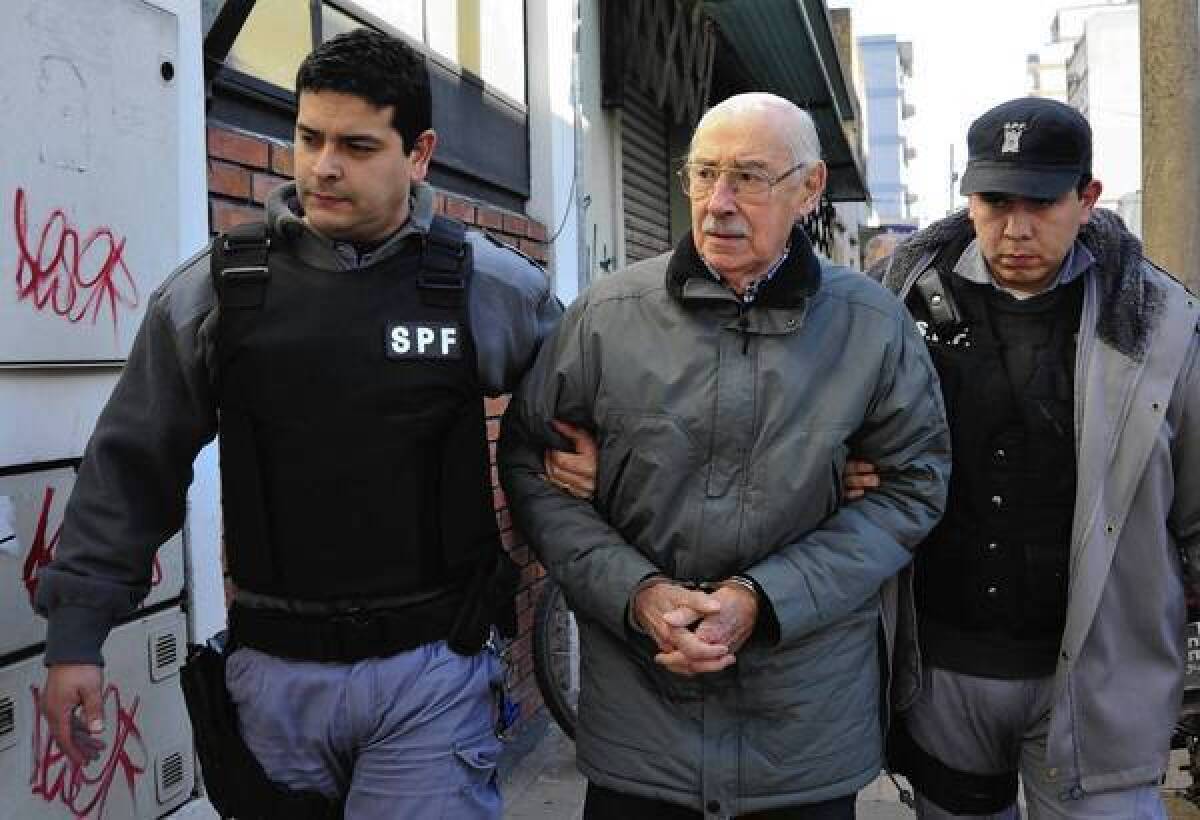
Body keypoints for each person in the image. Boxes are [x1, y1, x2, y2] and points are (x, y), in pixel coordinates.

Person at [34, 27, 563, 819]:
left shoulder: (484, 286)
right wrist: (77, 635)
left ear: (418, 153)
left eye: (355, 144)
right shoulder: (221, 292)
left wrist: (562, 469)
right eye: (308, 137)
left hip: (431, 672)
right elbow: (131, 461)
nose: (322, 165)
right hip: (274, 677)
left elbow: (576, 412)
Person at [499, 92, 951, 819]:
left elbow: (914, 486)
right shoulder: (605, 318)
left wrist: (762, 598)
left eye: (749, 177)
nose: (717, 203)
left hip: (804, 730)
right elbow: (529, 465)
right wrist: (637, 593)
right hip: (641, 727)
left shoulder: (872, 329)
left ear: (809, 189)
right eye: (703, 174)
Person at [854, 96, 1200, 819]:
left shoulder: (1164, 326)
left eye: (1041, 202)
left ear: (1087, 198)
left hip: (1101, 677)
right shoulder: (896, 310)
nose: (1015, 228)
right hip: (942, 671)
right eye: (994, 200)